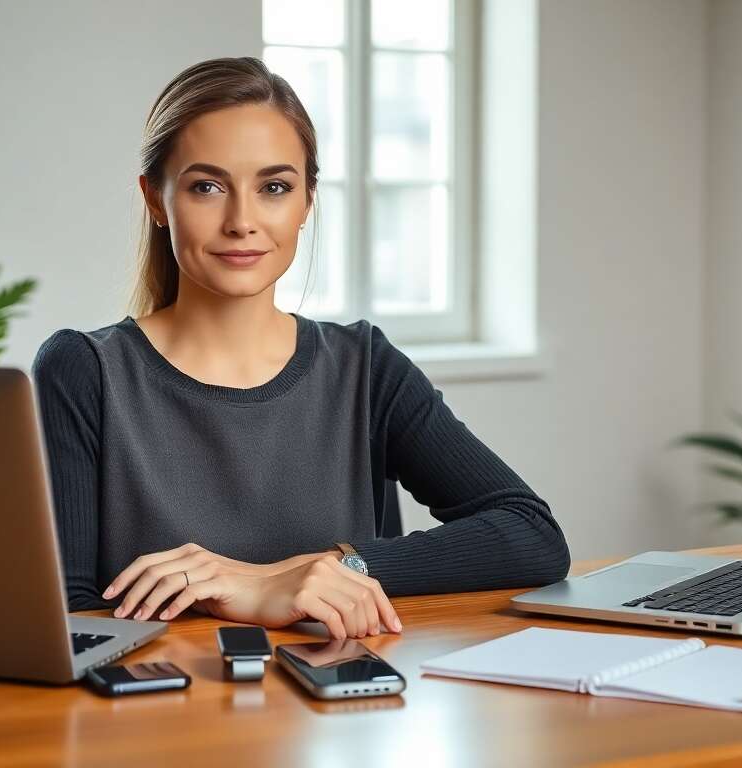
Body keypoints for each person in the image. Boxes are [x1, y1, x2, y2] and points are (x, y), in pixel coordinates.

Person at [32, 56, 569, 640]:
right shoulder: (83, 371)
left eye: (274, 187)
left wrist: (337, 567)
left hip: (340, 711)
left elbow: (530, 534)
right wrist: (242, 596)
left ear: (307, 202)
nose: (242, 220)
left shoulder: (365, 367)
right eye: (207, 187)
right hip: (158, 711)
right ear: (157, 200)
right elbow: (67, 610)